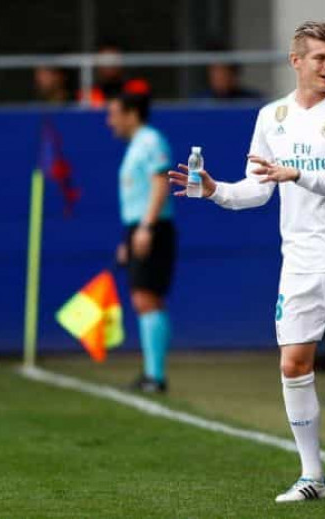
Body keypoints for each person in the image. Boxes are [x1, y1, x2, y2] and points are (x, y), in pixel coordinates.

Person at [168, 21, 325, 505]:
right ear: (296, 61)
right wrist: (216, 190)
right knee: (293, 364)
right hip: (300, 261)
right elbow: (258, 188)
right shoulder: (272, 116)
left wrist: (298, 173)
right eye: (320, 58)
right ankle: (312, 475)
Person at [107, 88, 175, 394]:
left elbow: (160, 181)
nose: (110, 121)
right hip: (139, 226)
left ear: (132, 114)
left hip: (152, 226)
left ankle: (155, 375)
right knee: (145, 299)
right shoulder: (137, 144)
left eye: (114, 114)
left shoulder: (150, 141)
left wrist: (146, 227)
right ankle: (152, 373)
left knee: (146, 298)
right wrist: (130, 235)